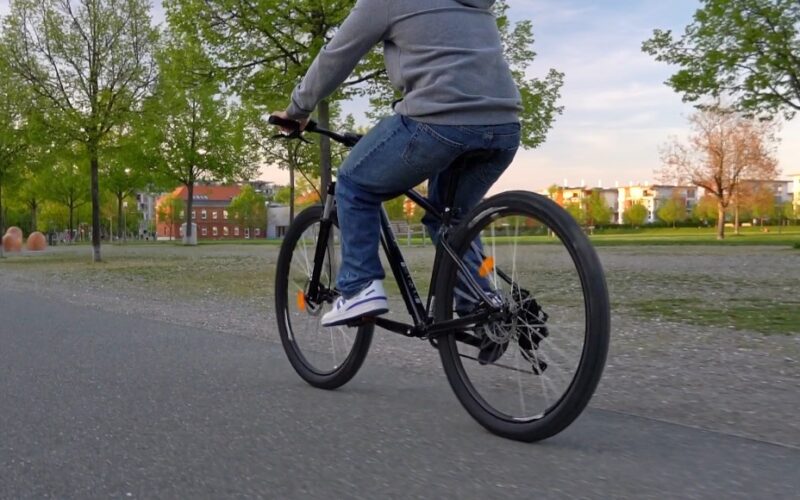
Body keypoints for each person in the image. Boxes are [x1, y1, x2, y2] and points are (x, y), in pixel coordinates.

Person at [273, 0, 522, 327]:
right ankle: (482, 307)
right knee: (449, 218)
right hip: (504, 127)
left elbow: (337, 55)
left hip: (437, 122)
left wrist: (296, 110)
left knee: (353, 184)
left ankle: (360, 287)